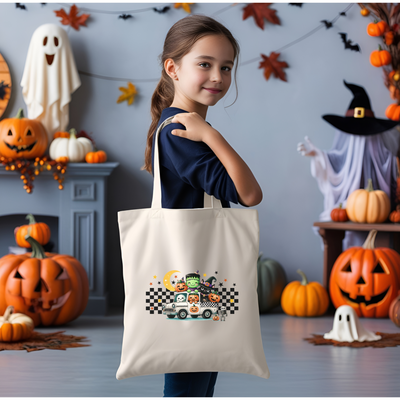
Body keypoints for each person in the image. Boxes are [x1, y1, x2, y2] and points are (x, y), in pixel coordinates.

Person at [141, 14, 262, 397]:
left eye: (226, 67)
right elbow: (249, 194)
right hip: (191, 275)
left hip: (190, 271)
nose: (218, 76)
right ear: (172, 68)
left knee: (196, 366)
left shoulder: (175, 124)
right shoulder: (183, 131)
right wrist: (211, 134)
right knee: (190, 371)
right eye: (204, 64)